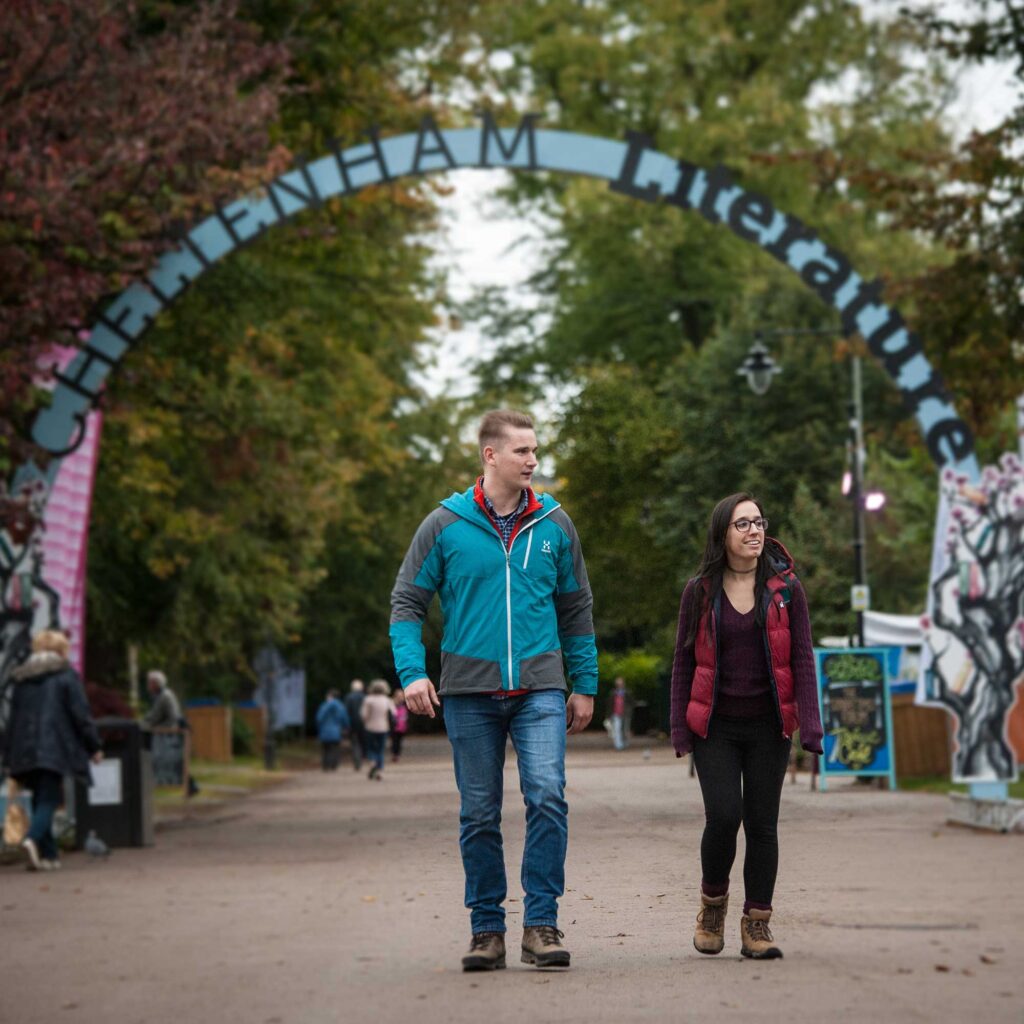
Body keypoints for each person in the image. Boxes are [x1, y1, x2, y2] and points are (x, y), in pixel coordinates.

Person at [390, 409, 597, 972]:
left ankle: (541, 926)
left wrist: (586, 684)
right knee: (479, 813)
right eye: (522, 451)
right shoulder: (445, 524)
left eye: (535, 451)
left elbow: (576, 609)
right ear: (490, 456)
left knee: (548, 796)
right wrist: (412, 672)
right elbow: (407, 602)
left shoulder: (555, 522)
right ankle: (486, 930)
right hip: (469, 693)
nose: (533, 460)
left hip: (540, 689)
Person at [670, 493, 824, 960]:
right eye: (743, 524)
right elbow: (682, 659)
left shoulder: (786, 590)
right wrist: (680, 725)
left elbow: (802, 656)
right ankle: (712, 905)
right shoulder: (699, 591)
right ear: (723, 534)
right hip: (714, 726)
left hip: (768, 725)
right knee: (723, 816)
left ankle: (757, 923)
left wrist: (811, 724)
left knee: (763, 824)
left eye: (759, 522)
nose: (754, 531)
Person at [2, 630, 103, 871]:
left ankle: (49, 856)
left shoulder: (22, 680)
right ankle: (32, 839)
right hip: (55, 747)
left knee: (40, 797)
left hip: (23, 749)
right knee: (50, 798)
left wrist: (7, 756)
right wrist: (94, 745)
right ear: (60, 651)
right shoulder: (67, 676)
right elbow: (81, 715)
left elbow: (12, 720)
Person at [360, 679, 396, 780]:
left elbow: (364, 715)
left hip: (370, 728)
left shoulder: (368, 700)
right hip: (383, 728)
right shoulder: (387, 700)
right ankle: (379, 771)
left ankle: (372, 763)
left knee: (371, 748)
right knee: (380, 749)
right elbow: (394, 714)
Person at [315, 689, 350, 771]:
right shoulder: (341, 706)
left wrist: (318, 727)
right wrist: (346, 727)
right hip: (336, 730)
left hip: (325, 730)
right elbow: (345, 719)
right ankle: (333, 765)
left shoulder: (324, 705)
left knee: (325, 749)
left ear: (330, 696)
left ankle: (325, 765)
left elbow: (319, 718)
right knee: (335, 749)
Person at [343, 680, 367, 771]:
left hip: (352, 724)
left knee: (355, 743)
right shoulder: (364, 697)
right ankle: (361, 758)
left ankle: (357, 761)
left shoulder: (349, 697)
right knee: (362, 742)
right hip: (363, 724)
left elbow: (346, 712)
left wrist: (346, 725)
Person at [605, 676, 634, 751]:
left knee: (625, 729)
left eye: (620, 683)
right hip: (615, 714)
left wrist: (629, 711)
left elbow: (632, 703)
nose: (619, 685)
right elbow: (609, 705)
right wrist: (608, 715)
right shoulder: (612, 693)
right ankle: (618, 745)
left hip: (625, 713)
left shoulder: (627, 692)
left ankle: (624, 743)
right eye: (618, 684)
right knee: (617, 729)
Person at [390, 686, 408, 762]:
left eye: (402, 695)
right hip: (394, 726)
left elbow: (406, 715)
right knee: (395, 741)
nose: (401, 697)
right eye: (399, 696)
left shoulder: (404, 704)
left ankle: (397, 754)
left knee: (399, 741)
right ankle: (395, 754)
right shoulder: (392, 704)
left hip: (402, 726)